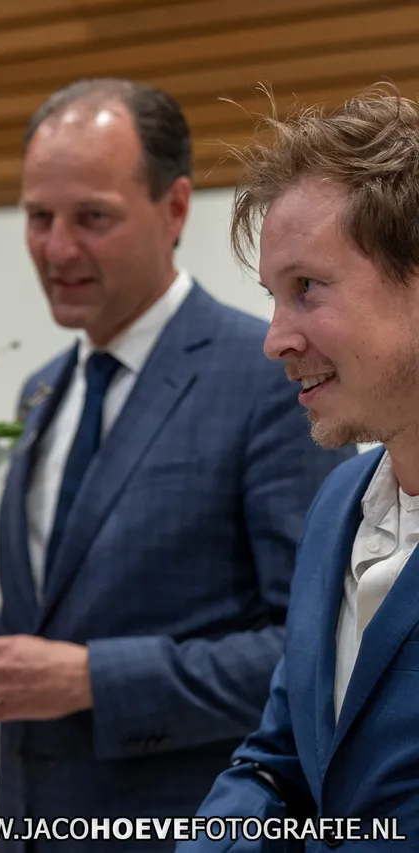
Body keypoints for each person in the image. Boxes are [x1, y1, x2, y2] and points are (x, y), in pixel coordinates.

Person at [0, 79, 358, 851]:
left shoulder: (271, 379)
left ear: (174, 208)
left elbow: (313, 650)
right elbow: (41, 626)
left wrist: (91, 679)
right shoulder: (42, 392)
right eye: (38, 218)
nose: (56, 249)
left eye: (92, 218)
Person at [181, 84, 419, 851]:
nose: (274, 338)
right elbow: (281, 758)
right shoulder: (338, 501)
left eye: (307, 288)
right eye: (273, 297)